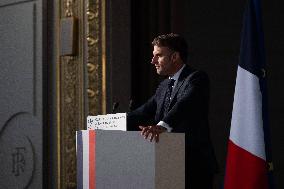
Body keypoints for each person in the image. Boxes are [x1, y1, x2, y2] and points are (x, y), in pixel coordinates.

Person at [127, 33, 218, 189]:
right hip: (166, 164)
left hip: (194, 166)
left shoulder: (196, 78)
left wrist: (162, 126)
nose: (153, 61)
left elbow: (184, 106)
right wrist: (110, 122)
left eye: (159, 55)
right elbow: (142, 112)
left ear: (175, 57)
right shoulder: (163, 87)